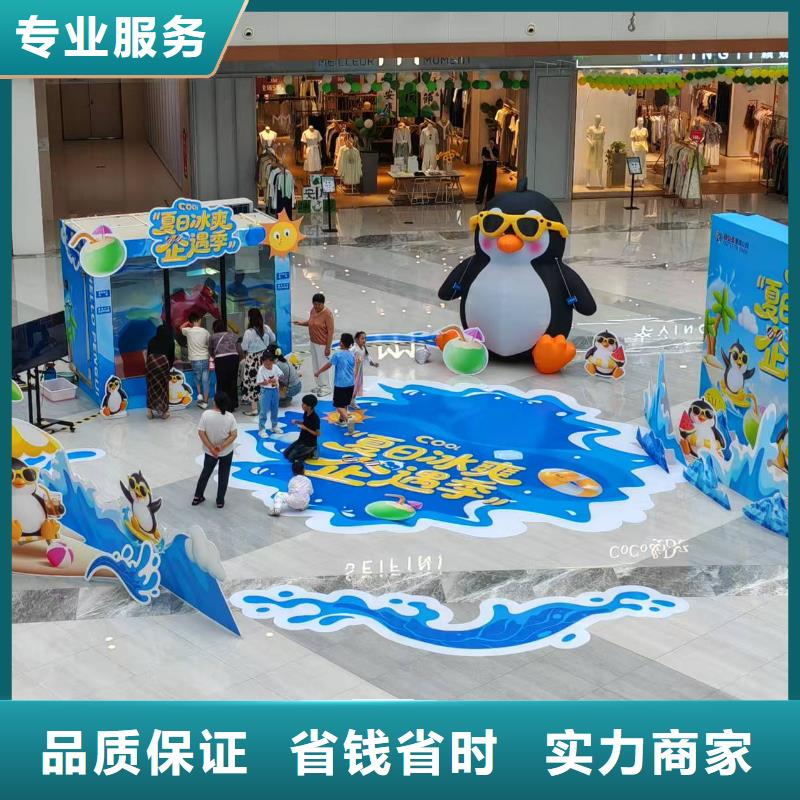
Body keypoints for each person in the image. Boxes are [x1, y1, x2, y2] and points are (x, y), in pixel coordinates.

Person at [192, 391, 238, 509]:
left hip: (210, 452)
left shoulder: (206, 414)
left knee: (205, 473)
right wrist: (222, 446)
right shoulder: (230, 417)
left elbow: (201, 433)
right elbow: (234, 435)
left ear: (214, 402)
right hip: (226, 452)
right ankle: (220, 501)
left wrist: (211, 448)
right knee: (224, 475)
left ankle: (197, 496)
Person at [293, 292, 334, 396]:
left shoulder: (327, 314)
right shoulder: (313, 310)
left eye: (318, 304)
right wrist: (301, 323)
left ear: (323, 304)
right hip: (313, 342)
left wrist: (328, 347)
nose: (316, 306)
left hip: (322, 344)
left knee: (323, 365)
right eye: (314, 304)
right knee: (315, 364)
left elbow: (330, 331)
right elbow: (311, 322)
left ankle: (326, 387)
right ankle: (319, 385)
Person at [240, 308, 276, 416]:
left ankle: (254, 409)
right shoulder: (266, 328)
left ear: (250, 318)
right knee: (266, 380)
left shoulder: (248, 332)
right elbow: (273, 339)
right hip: (264, 358)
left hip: (252, 360)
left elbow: (244, 347)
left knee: (253, 383)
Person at [315, 332, 355, 427]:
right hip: (351, 383)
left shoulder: (337, 355)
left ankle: (348, 419)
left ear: (342, 343)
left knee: (338, 405)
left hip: (340, 384)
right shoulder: (352, 355)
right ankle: (341, 420)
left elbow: (328, 365)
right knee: (345, 403)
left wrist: (318, 372)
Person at [181, 312, 211, 409]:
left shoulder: (188, 331)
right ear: (199, 320)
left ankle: (200, 395)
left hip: (194, 359)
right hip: (205, 358)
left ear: (191, 322)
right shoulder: (205, 332)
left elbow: (181, 327)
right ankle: (205, 402)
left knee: (197, 379)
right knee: (205, 380)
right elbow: (209, 344)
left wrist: (188, 322)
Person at [145, 324, 175, 419]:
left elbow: (148, 355)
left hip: (151, 365)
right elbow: (171, 357)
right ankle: (164, 412)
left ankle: (149, 411)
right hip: (163, 364)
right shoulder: (170, 341)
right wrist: (168, 368)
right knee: (163, 388)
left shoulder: (151, 341)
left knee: (151, 388)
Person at [211, 319, 239, 410]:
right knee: (232, 381)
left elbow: (210, 349)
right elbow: (237, 336)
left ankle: (222, 405)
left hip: (220, 359)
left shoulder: (213, 337)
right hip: (234, 358)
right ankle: (233, 404)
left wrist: (213, 356)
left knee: (222, 383)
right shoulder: (231, 335)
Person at [283, 394, 321, 462]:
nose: (302, 405)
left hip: (309, 444)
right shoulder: (306, 412)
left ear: (309, 406)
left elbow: (317, 433)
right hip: (301, 439)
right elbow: (306, 423)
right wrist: (297, 422)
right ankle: (308, 451)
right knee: (285, 453)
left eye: (304, 404)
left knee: (291, 458)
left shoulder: (315, 418)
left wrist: (306, 428)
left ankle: (312, 452)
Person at [257, 350, 282, 438]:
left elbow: (280, 375)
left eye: (270, 362)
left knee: (275, 409)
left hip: (275, 390)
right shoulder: (261, 369)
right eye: (266, 363)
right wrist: (268, 381)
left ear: (273, 361)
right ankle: (261, 429)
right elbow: (259, 382)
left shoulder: (275, 367)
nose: (268, 365)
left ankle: (274, 426)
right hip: (265, 391)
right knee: (263, 410)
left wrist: (276, 380)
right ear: (263, 361)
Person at [351, 330, 378, 411]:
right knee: (351, 387)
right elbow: (347, 357)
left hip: (359, 371)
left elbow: (368, 357)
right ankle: (346, 402)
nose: (364, 340)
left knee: (356, 387)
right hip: (352, 371)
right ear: (356, 339)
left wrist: (373, 364)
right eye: (362, 338)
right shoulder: (353, 349)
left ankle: (352, 401)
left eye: (365, 338)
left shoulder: (363, 348)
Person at [476, 144, 498, 208]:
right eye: (490, 142)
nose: (491, 143)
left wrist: (490, 151)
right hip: (485, 170)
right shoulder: (484, 149)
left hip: (493, 170)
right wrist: (492, 160)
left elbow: (494, 158)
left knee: (491, 186)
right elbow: (484, 159)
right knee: (482, 185)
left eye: (492, 142)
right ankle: (479, 199)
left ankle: (489, 200)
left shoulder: (496, 150)